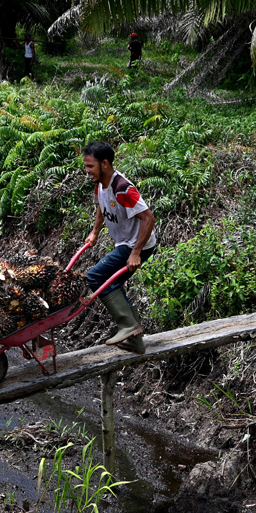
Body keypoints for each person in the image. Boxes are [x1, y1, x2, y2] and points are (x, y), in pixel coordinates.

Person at [82, 141, 157, 354]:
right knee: (112, 283)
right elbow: (101, 208)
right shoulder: (100, 184)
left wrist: (135, 253)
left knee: (95, 277)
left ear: (104, 164)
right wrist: (95, 232)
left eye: (90, 166)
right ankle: (136, 341)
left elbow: (149, 218)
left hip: (137, 245)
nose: (87, 171)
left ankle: (129, 326)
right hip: (126, 243)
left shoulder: (122, 188)